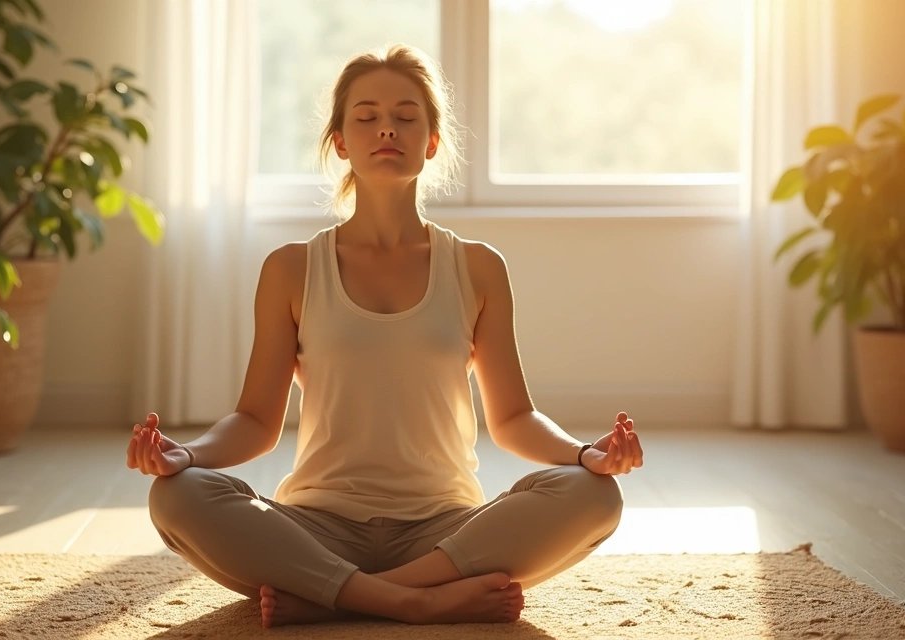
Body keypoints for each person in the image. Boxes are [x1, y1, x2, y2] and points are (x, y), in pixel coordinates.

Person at [126, 43, 644, 629]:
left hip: (444, 533)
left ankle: (337, 597)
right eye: (366, 117)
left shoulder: (477, 267)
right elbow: (255, 422)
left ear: (431, 141)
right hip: (317, 527)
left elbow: (514, 418)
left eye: (406, 116)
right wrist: (184, 455)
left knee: (595, 496)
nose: (386, 130)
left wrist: (586, 454)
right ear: (341, 142)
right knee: (176, 496)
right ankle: (414, 603)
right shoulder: (291, 269)